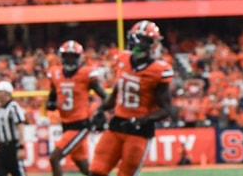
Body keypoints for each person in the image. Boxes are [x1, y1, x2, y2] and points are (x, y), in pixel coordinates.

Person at [88, 20, 173, 176]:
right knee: (96, 170)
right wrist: (101, 110)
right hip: (117, 124)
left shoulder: (159, 70)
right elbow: (116, 92)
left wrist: (142, 120)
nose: (139, 43)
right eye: (138, 39)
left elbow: (166, 109)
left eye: (145, 40)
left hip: (139, 131)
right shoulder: (122, 60)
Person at [46, 40, 108, 176]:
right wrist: (50, 103)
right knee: (85, 167)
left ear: (79, 57)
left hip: (80, 125)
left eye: (73, 56)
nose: (69, 59)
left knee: (54, 158)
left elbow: (105, 96)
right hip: (66, 125)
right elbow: (52, 96)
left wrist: (101, 112)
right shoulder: (55, 74)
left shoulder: (86, 74)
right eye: (67, 56)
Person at [0, 81, 26, 176]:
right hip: (2, 147)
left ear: (6, 93)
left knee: (18, 172)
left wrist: (20, 146)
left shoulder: (13, 107)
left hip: (12, 146)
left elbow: (20, 126)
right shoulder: (0, 109)